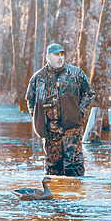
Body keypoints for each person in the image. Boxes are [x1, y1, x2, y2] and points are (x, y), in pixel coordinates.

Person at [26, 43, 94, 176]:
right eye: (56, 55)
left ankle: (75, 193)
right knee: (52, 167)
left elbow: (89, 94)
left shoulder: (76, 74)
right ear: (48, 57)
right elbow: (30, 99)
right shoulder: (38, 78)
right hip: (50, 129)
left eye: (62, 54)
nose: (60, 57)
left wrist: (79, 112)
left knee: (73, 164)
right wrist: (36, 117)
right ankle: (56, 194)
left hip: (72, 127)